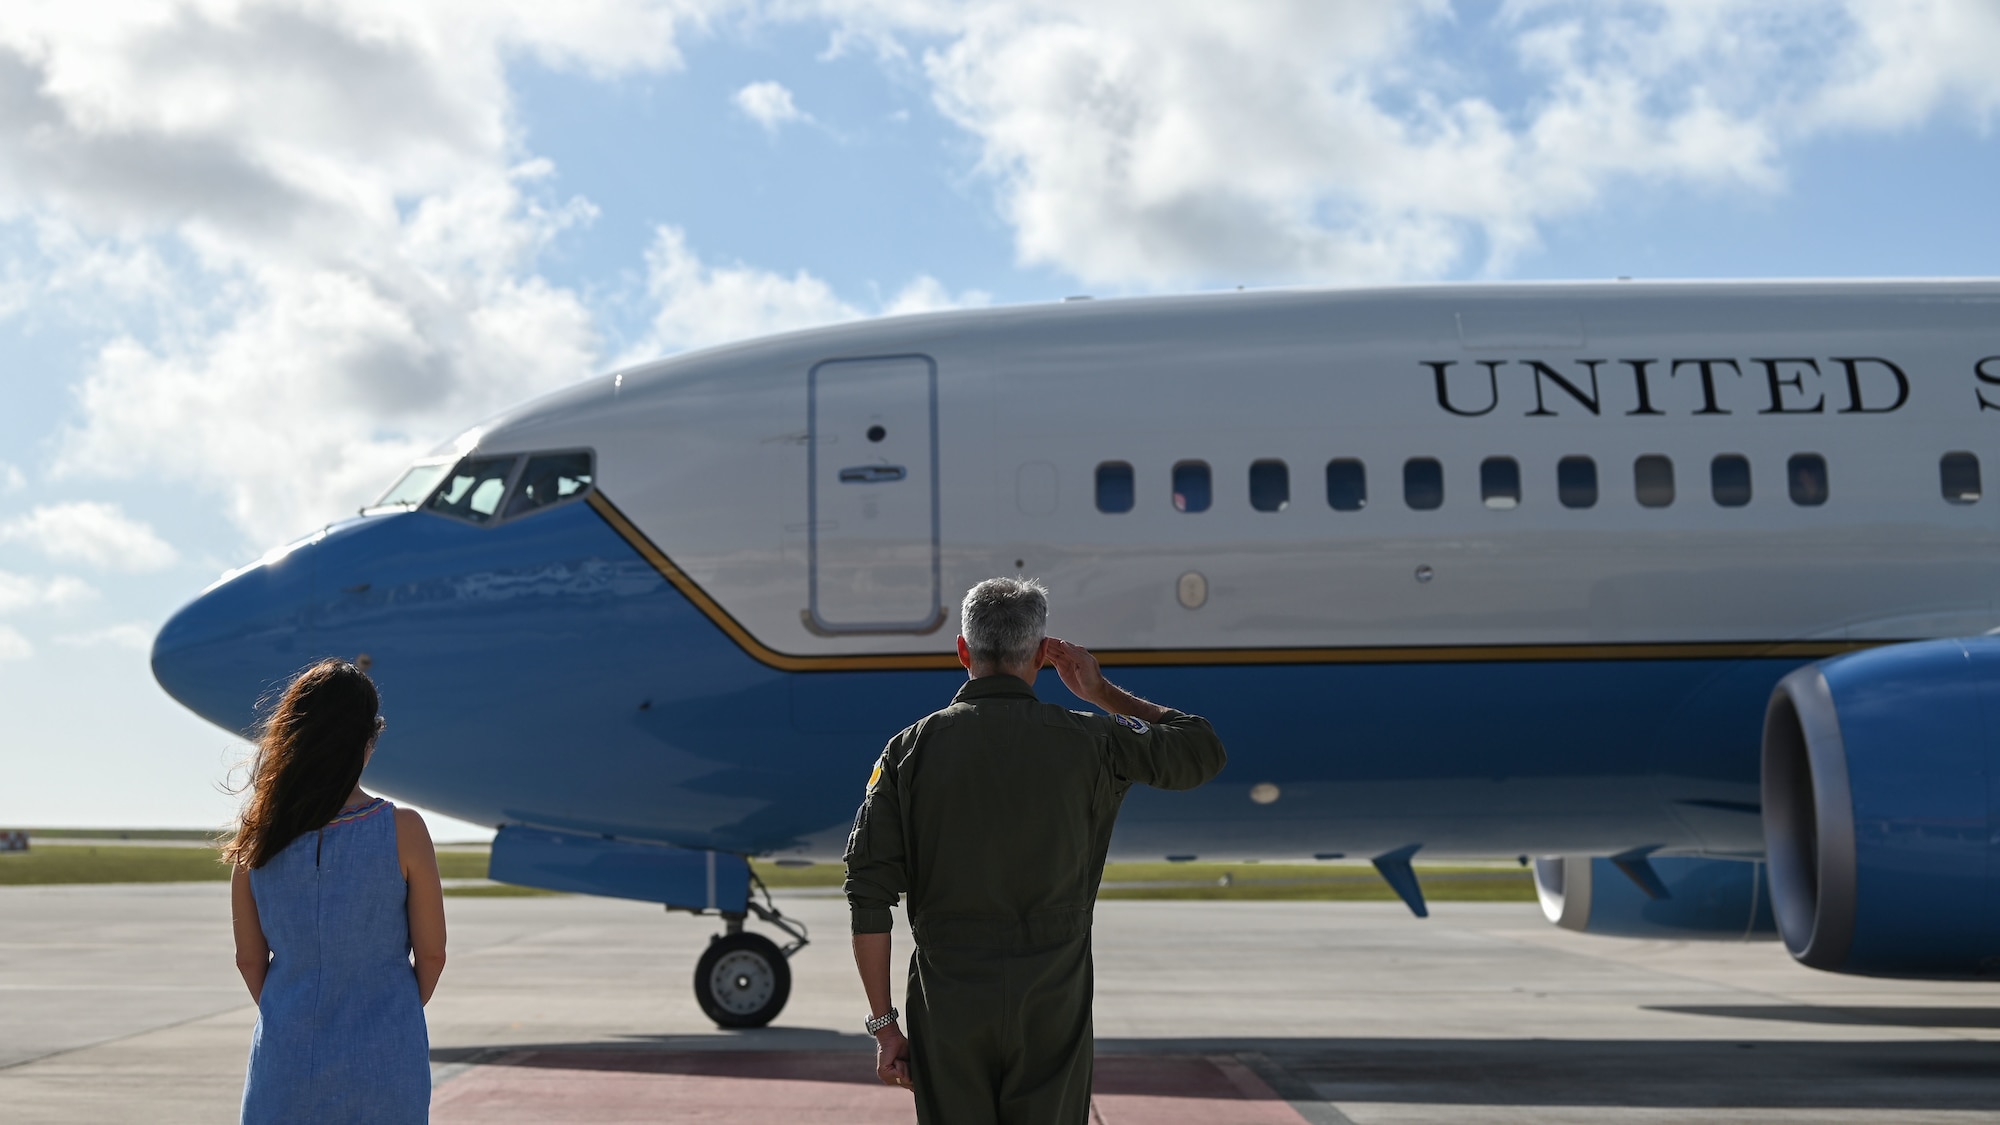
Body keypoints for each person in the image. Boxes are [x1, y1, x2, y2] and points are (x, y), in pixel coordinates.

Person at [844, 577, 1228, 1124]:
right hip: (1052, 1004)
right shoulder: (1092, 739)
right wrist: (1100, 692)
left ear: (962, 651)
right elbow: (1201, 749)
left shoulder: (911, 750)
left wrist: (885, 1028)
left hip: (949, 1005)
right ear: (1044, 654)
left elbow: (867, 892)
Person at [224, 658, 446, 1124]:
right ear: (366, 741)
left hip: (285, 1055)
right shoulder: (403, 829)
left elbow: (248, 959)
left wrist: (293, 1010)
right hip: (386, 1051)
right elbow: (432, 954)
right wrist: (393, 1008)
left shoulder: (258, 833)